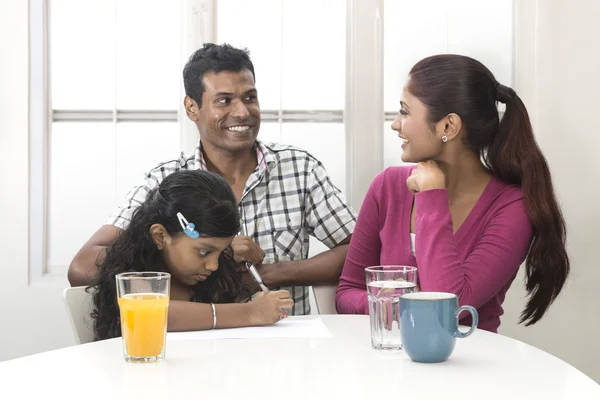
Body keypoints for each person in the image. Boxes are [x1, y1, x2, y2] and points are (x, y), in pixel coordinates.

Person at [69, 43, 356, 316]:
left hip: (287, 352)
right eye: (224, 101)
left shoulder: (300, 169)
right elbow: (82, 265)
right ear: (192, 108)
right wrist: (216, 258)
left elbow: (358, 252)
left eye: (249, 97)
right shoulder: (166, 181)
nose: (242, 112)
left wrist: (264, 275)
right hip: (191, 353)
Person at [336, 54, 570, 332]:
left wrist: (432, 195)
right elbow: (347, 292)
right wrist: (402, 306)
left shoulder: (512, 208)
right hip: (390, 362)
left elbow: (450, 308)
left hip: (469, 367)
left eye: (405, 111)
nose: (396, 124)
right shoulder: (386, 187)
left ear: (448, 126)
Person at [91, 170, 294, 340]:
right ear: (160, 236)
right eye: (204, 252)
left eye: (221, 252)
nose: (213, 265)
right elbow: (154, 313)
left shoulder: (211, 279)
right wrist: (250, 313)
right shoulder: (133, 272)